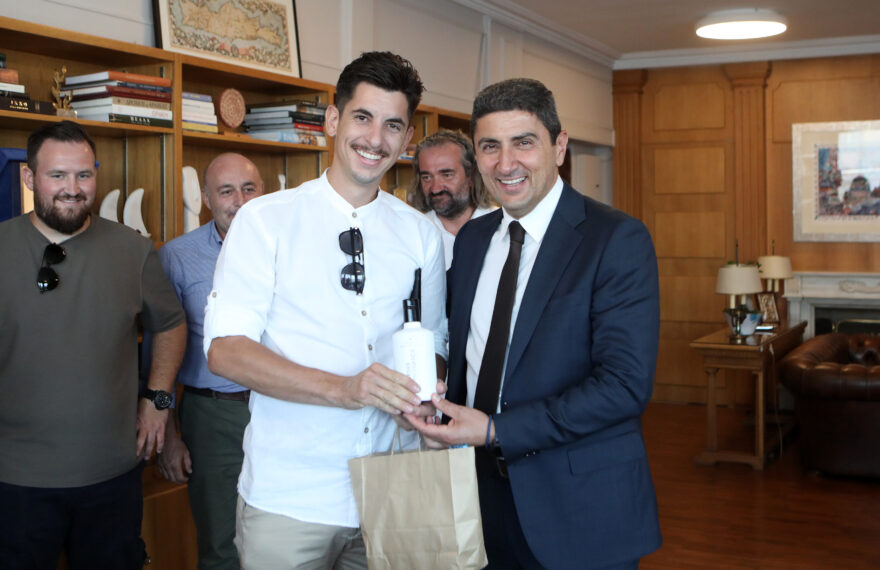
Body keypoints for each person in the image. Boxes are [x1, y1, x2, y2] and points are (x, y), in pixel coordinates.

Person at [203, 52, 446, 569]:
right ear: (333, 120)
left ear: (407, 139)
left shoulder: (420, 233)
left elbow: (433, 339)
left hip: (392, 489)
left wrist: (427, 393)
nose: (375, 138)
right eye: (363, 117)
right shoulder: (264, 220)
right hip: (290, 497)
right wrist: (345, 389)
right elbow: (225, 351)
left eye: (393, 125)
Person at [407, 78, 663, 569]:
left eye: (523, 142)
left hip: (578, 505)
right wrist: (428, 396)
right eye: (490, 147)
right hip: (475, 496)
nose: (506, 164)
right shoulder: (473, 239)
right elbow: (463, 351)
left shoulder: (616, 239)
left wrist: (496, 430)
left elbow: (624, 386)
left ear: (558, 146)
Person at [0, 120, 186, 569]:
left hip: (112, 476)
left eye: (84, 175)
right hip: (15, 480)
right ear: (29, 177)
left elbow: (171, 323)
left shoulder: (133, 249)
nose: (73, 188)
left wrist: (158, 400)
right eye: (57, 175)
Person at [146, 153, 265, 570]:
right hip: (213, 416)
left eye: (249, 189)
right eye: (226, 191)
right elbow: (159, 354)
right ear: (207, 199)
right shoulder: (177, 256)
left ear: (264, 192)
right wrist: (169, 435)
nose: (239, 201)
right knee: (221, 544)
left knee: (288, 535)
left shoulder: (289, 248)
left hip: (282, 406)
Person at [410, 129, 494, 269]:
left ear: (471, 176)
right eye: (427, 177)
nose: (435, 188)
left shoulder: (504, 227)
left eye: (447, 175)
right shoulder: (413, 233)